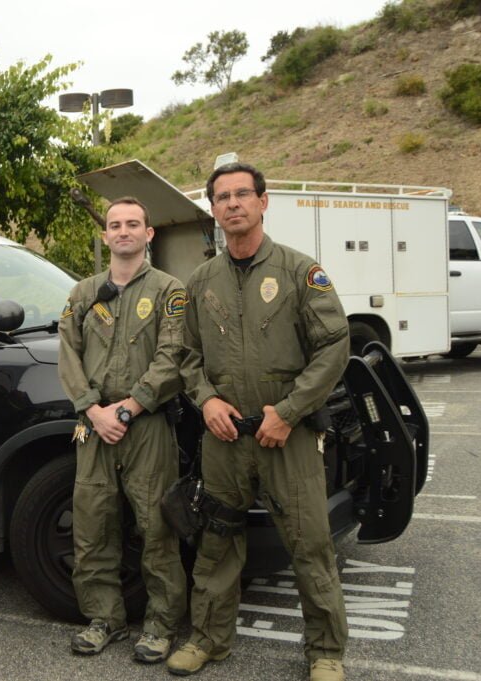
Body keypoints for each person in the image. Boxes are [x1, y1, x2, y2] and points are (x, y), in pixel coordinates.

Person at [167, 163, 349, 681]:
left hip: (285, 437)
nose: (232, 204)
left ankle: (325, 652)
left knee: (310, 545)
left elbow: (334, 347)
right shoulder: (200, 281)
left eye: (242, 194)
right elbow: (185, 354)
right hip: (224, 438)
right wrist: (205, 401)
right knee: (217, 540)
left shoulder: (299, 272)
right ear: (214, 210)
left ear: (263, 202)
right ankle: (207, 639)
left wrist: (289, 412)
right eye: (221, 197)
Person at [58, 197, 188, 663]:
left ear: (149, 234)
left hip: (147, 426)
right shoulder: (83, 293)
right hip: (93, 428)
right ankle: (104, 619)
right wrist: (93, 411)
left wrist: (129, 409)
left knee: (157, 528)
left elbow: (173, 358)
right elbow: (68, 356)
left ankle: (160, 625)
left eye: (134, 223)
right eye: (115, 225)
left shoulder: (171, 290)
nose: (124, 231)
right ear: (105, 235)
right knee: (93, 525)